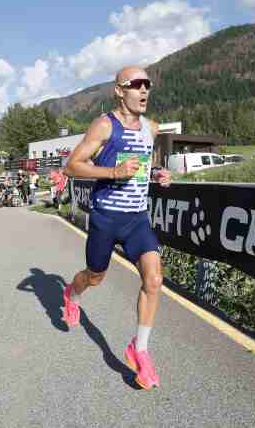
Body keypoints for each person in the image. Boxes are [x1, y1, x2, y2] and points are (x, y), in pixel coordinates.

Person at [62, 65, 171, 390]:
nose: (144, 91)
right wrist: (113, 172)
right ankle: (71, 292)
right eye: (136, 85)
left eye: (147, 85)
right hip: (106, 218)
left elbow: (143, 165)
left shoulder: (151, 128)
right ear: (119, 90)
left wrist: (157, 175)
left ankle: (139, 350)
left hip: (137, 218)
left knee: (154, 280)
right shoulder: (104, 125)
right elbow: (72, 166)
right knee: (95, 276)